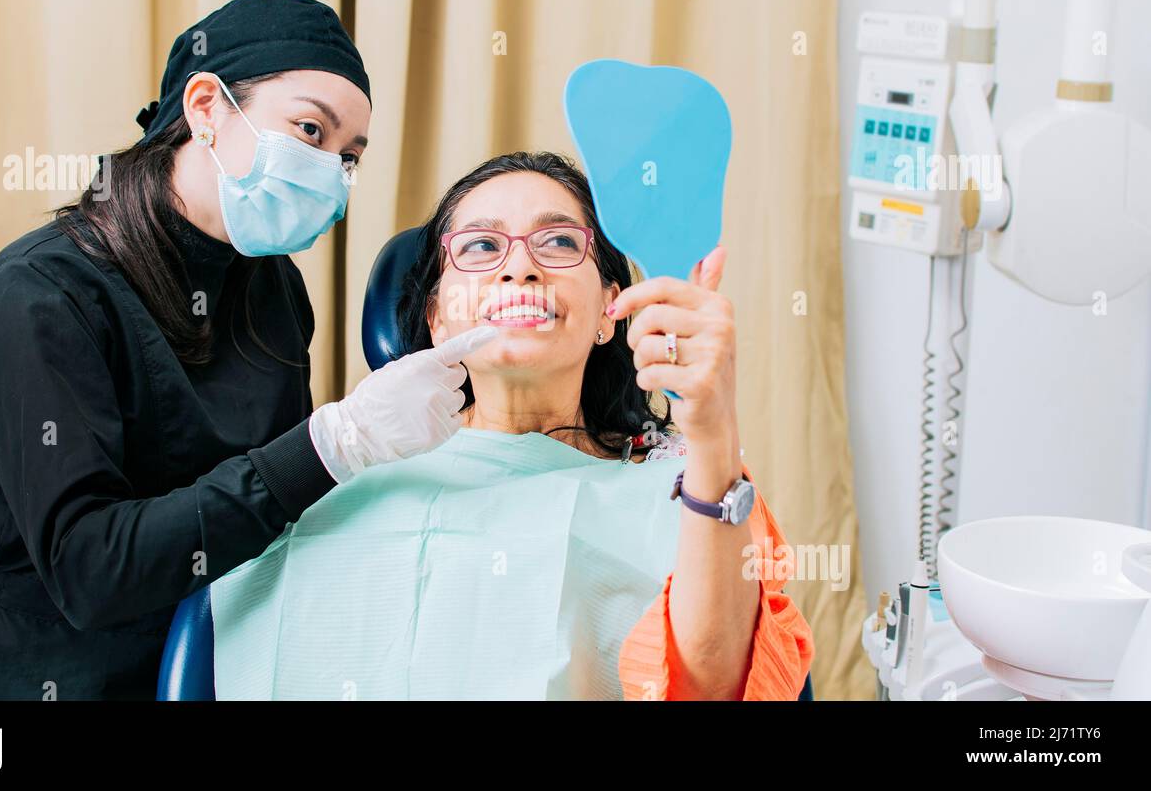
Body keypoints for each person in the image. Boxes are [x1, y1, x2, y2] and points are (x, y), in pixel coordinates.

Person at [0, 0, 495, 700]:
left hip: (223, 640)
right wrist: (339, 440)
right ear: (207, 107)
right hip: (41, 673)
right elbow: (92, 572)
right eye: (311, 130)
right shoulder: (42, 295)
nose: (332, 173)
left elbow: (271, 507)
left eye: (349, 157)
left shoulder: (268, 284)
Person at [211, 152, 813, 700]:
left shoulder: (693, 487)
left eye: (556, 242)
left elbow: (720, 689)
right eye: (478, 247)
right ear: (437, 319)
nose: (519, 267)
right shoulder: (336, 468)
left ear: (610, 311)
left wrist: (714, 433)